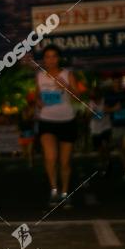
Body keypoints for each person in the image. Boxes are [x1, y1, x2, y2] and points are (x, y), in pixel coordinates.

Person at [35, 44, 83, 206]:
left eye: (54, 56)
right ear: (44, 60)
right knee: (50, 157)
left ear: (58, 58)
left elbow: (78, 98)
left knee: (64, 162)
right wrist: (38, 102)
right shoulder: (40, 76)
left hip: (67, 121)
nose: (51, 59)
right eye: (47, 56)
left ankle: (64, 192)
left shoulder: (67, 74)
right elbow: (37, 96)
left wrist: (66, 86)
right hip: (47, 121)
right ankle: (54, 190)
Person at [88, 89, 113, 177]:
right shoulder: (91, 103)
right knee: (99, 148)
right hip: (95, 129)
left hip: (106, 127)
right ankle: (103, 162)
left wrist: (107, 109)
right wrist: (91, 111)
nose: (93, 99)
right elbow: (88, 115)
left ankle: (108, 161)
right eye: (92, 97)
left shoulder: (104, 101)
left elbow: (109, 110)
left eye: (94, 96)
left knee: (106, 145)